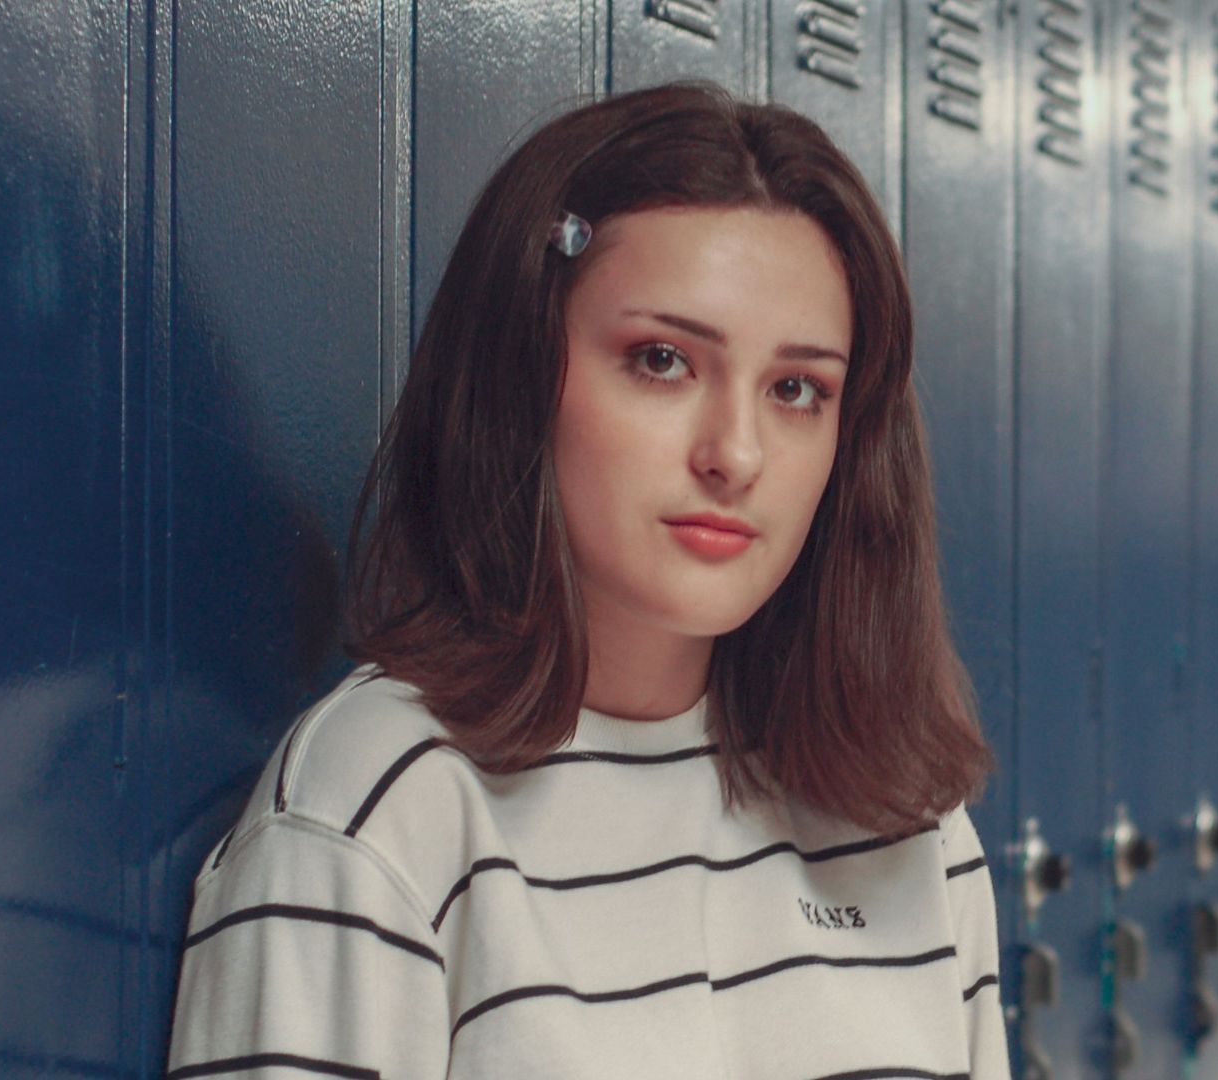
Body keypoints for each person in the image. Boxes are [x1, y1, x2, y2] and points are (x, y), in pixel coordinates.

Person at [165, 81, 1006, 1077]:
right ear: (525, 378)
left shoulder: (906, 815)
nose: (735, 454)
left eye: (796, 390)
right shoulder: (382, 809)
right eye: (662, 360)